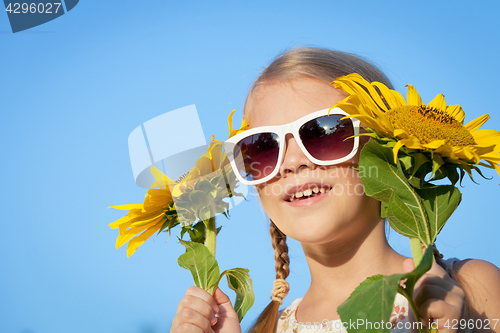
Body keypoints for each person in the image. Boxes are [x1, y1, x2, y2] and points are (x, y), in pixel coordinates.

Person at [170, 47, 500, 333]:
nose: (291, 162)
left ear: (389, 152)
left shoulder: (472, 288)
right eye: (262, 148)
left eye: (324, 133)